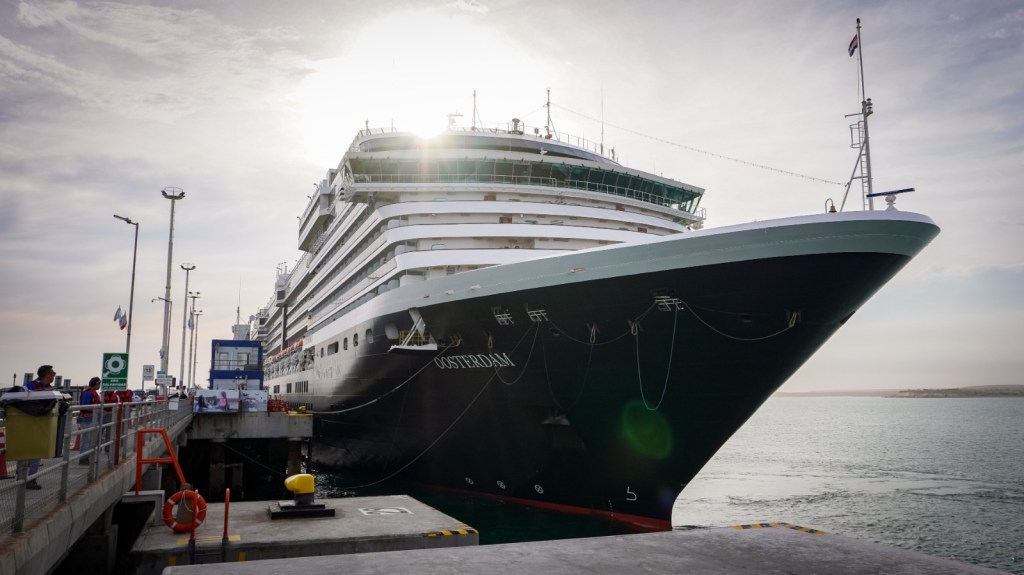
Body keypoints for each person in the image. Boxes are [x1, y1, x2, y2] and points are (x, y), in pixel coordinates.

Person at [20, 365, 56, 489]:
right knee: (27, 450)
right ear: (46, 374)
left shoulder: (49, 388)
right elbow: (17, 398)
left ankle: (31, 478)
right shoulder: (30, 386)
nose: (54, 374)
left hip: (41, 424)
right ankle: (24, 477)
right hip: (28, 423)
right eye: (52, 372)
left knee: (37, 451)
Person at [77, 377, 101, 465]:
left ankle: (89, 457)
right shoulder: (88, 393)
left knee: (92, 439)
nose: (99, 386)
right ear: (96, 384)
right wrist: (96, 409)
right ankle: (83, 458)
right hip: (87, 419)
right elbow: (85, 406)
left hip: (93, 419)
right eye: (99, 384)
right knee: (86, 439)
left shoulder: (94, 393)